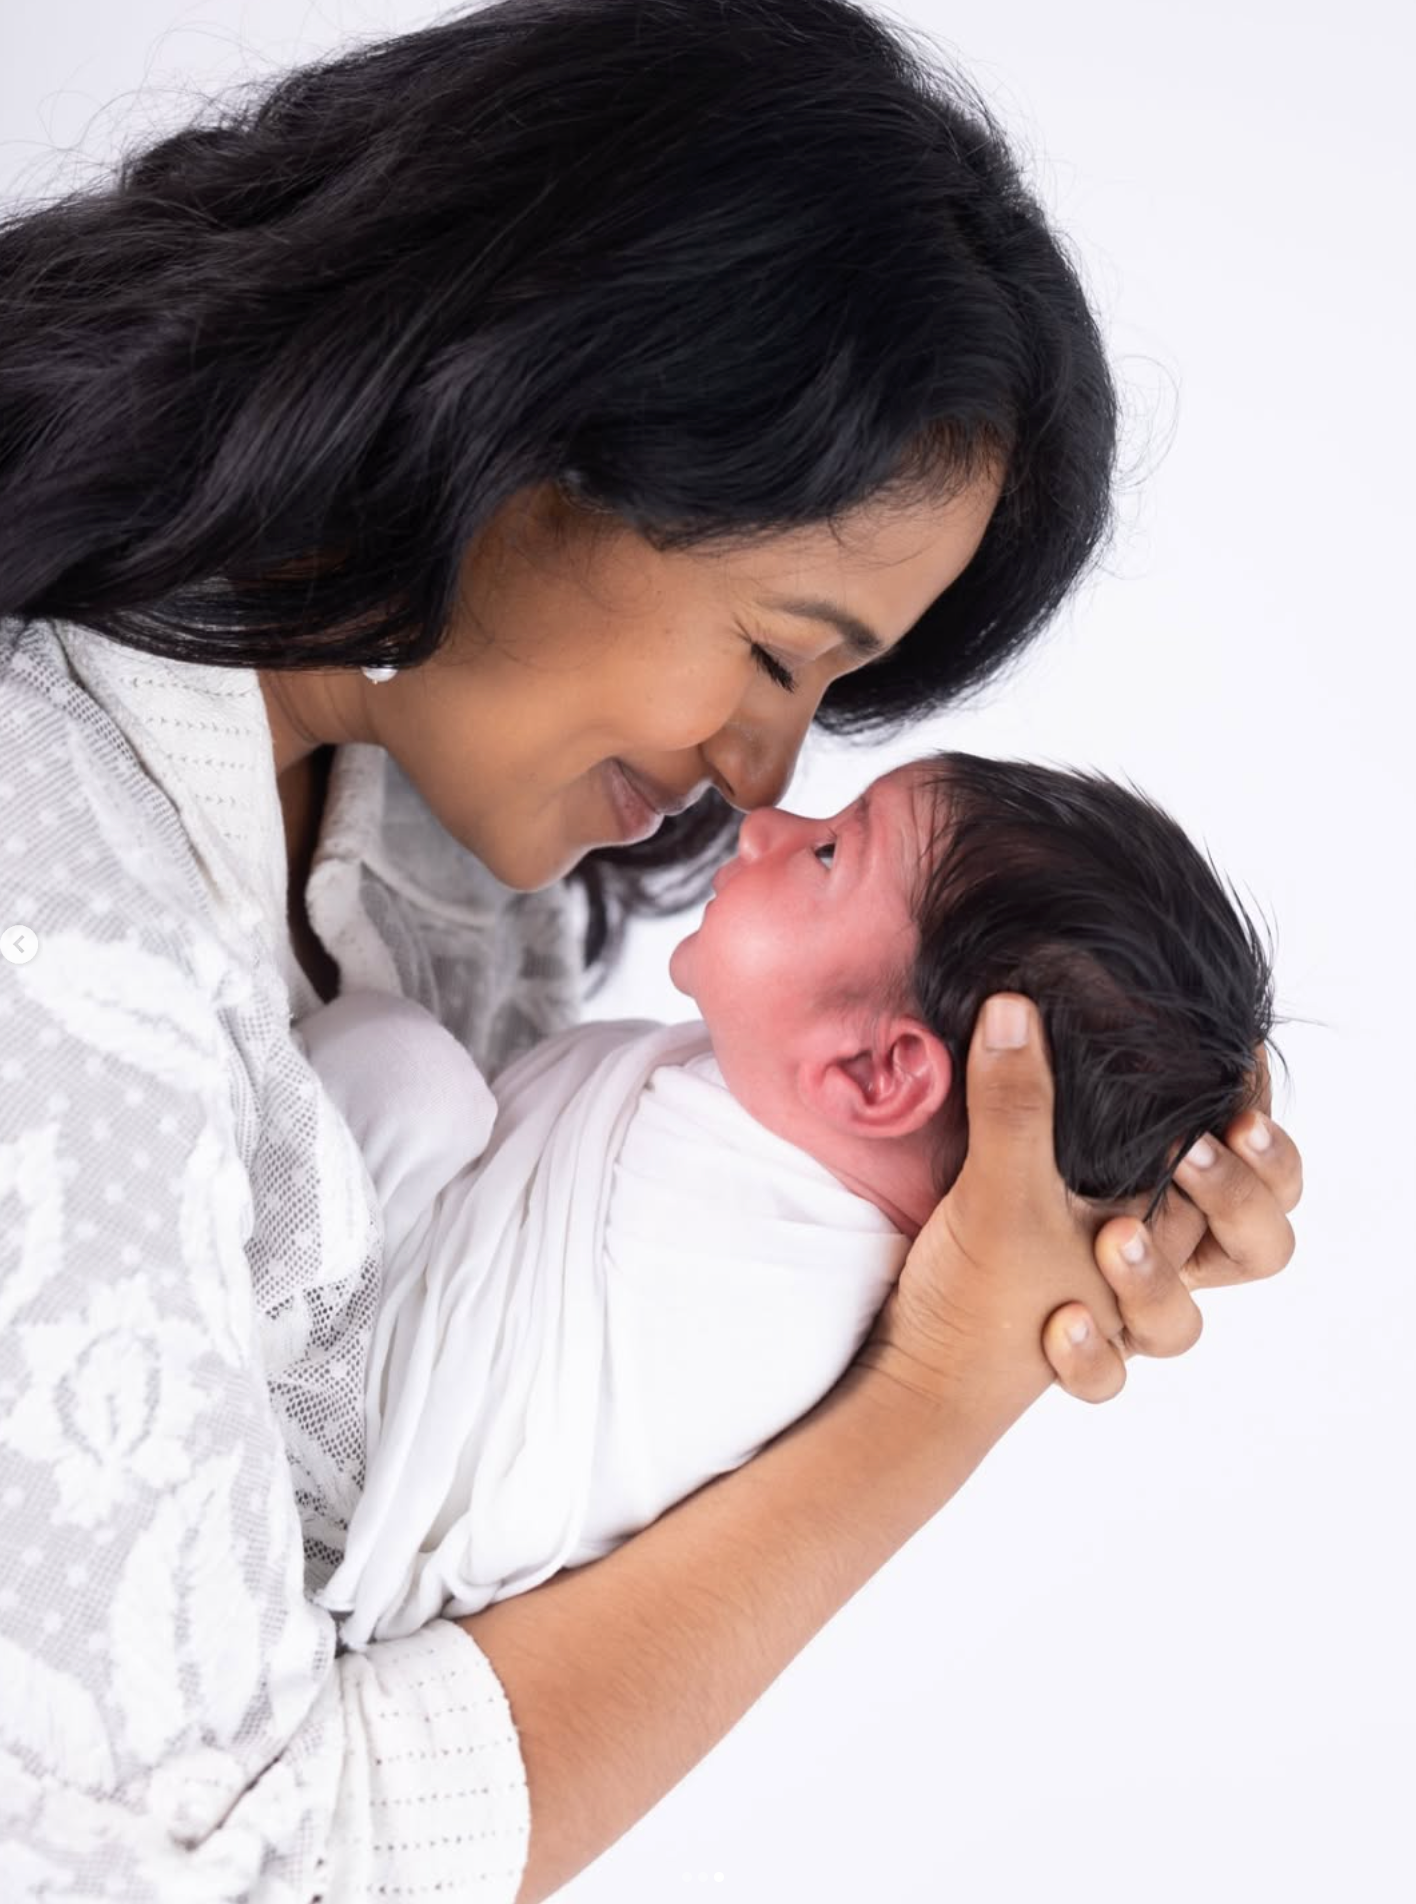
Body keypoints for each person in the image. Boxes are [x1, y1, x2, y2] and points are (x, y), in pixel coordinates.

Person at [0, 2, 1301, 1899]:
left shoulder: (443, 858)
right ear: (514, 432)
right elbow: (226, 1863)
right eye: (781, 653)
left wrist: (1036, 1215)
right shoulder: (56, 923)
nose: (763, 775)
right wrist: (944, 1388)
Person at [287, 750, 1279, 1651]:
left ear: (878, 1073)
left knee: (406, 1069)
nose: (765, 825)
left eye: (831, 851)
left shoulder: (775, 1288)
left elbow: (505, 1487)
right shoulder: (787, 1166)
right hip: (389, 1343)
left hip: (341, 1456)